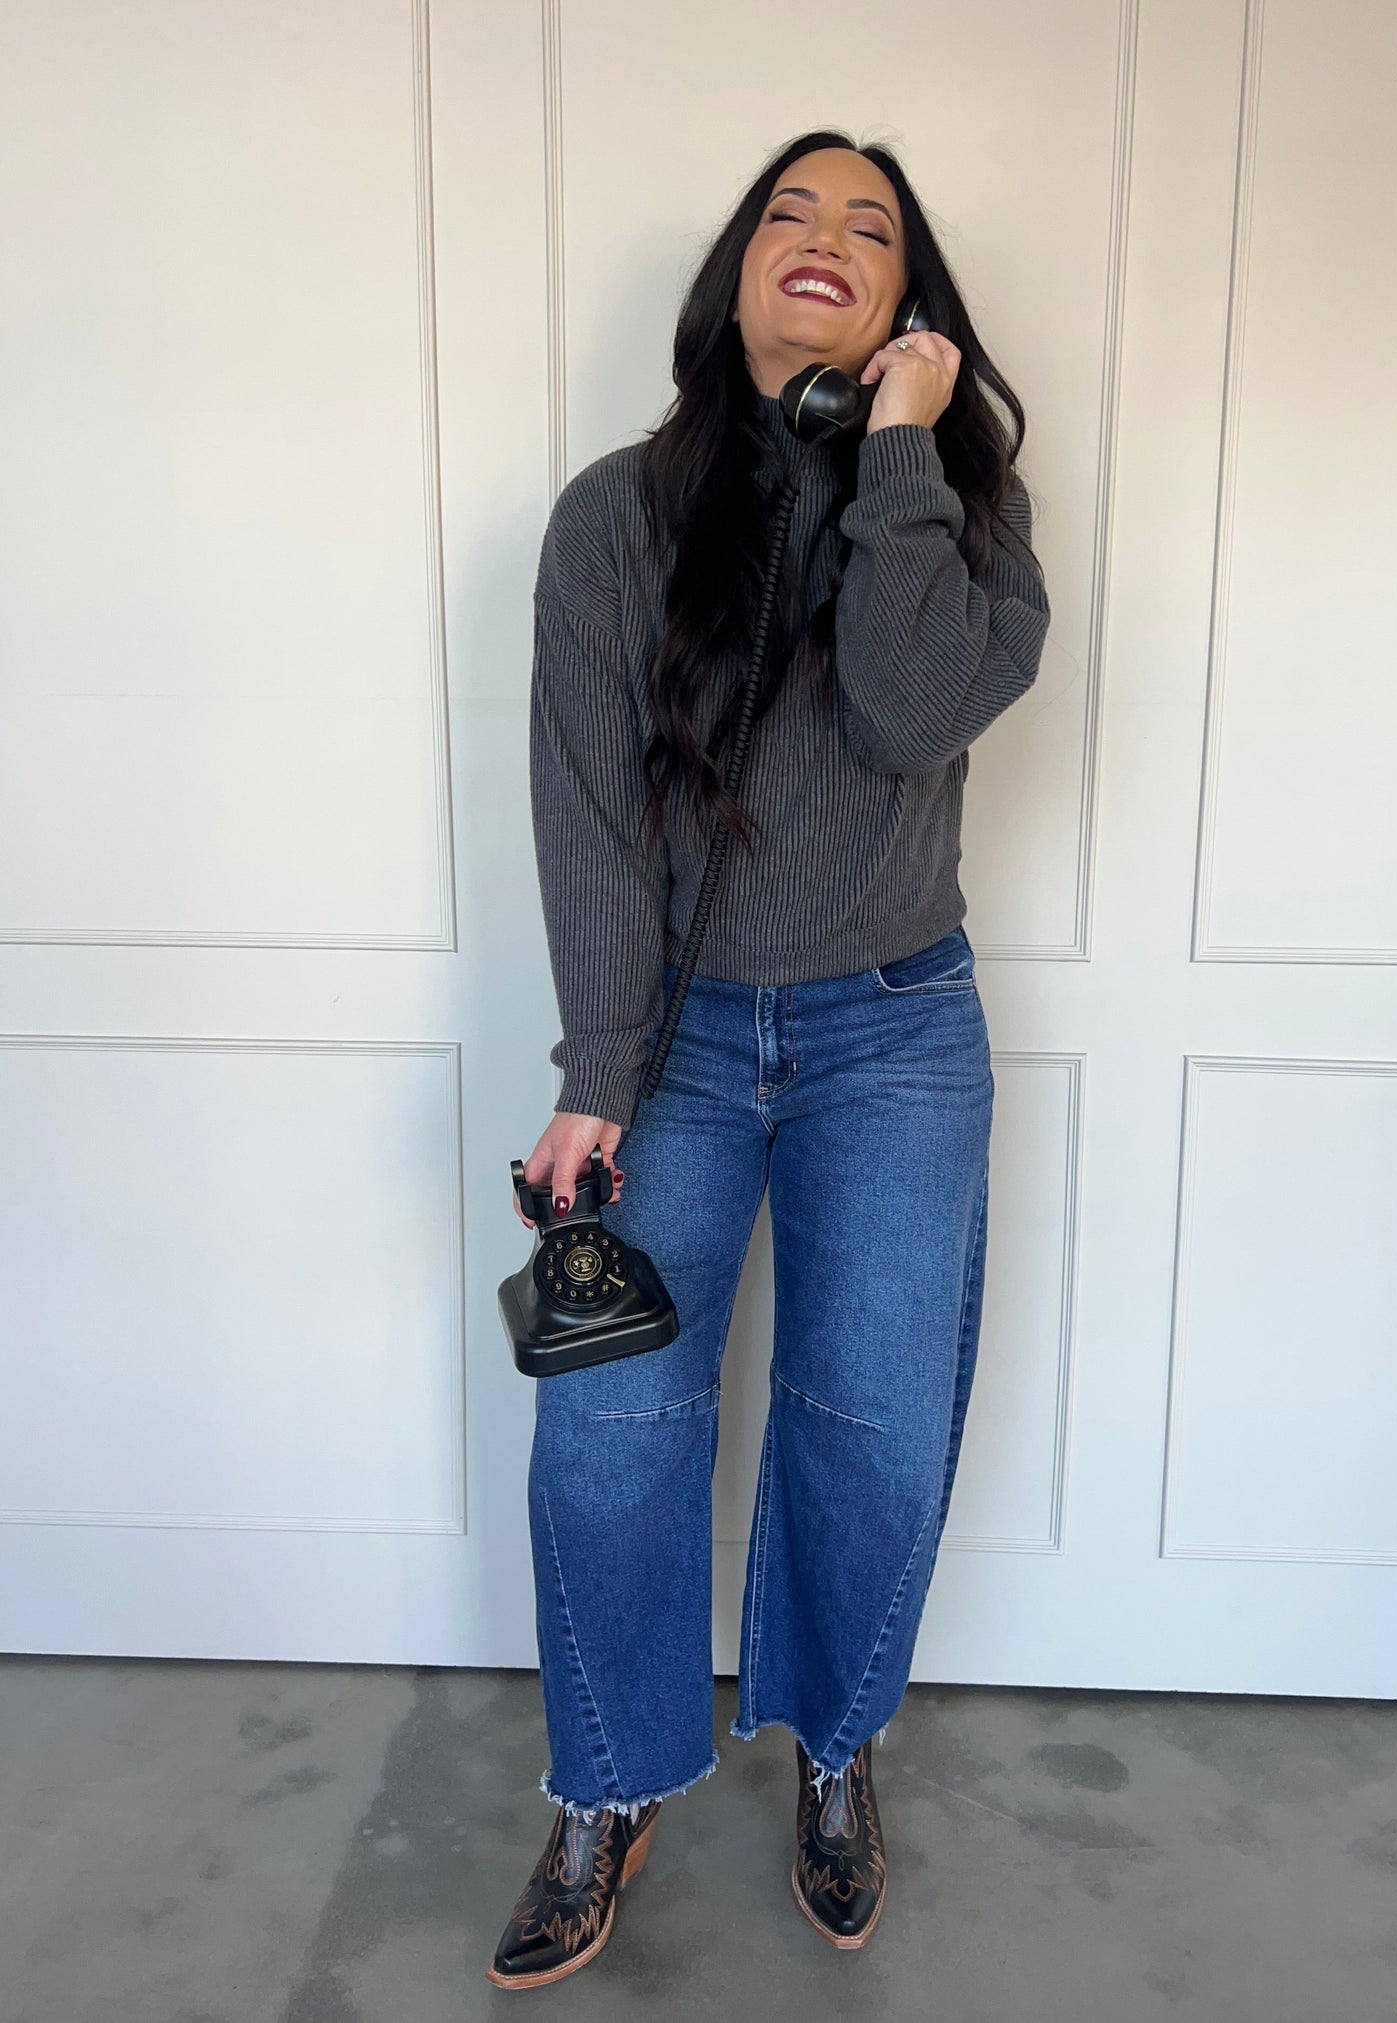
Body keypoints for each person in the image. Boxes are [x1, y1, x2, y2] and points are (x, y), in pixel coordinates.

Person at [487, 127, 1050, 1990]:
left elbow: (902, 711)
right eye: (790, 214)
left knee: (871, 1431)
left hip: (897, 1038)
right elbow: (585, 815)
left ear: (908, 308)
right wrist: (597, 1068)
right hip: (678, 1053)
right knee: (609, 1434)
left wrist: (897, 447)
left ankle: (831, 1752)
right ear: (734, 268)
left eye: (871, 228)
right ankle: (609, 1779)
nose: (824, 239)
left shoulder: (958, 519)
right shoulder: (611, 519)